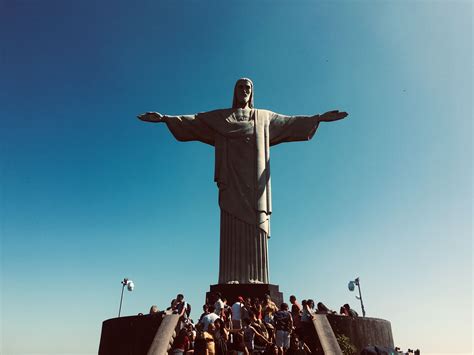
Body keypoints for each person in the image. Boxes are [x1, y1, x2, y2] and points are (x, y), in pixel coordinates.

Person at [138, 78, 348, 285]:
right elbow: (194, 121)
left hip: (255, 184)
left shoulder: (264, 117)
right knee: (232, 225)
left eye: (248, 87)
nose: (244, 90)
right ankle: (229, 278)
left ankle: (258, 278)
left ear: (252, 92)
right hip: (231, 181)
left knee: (255, 226)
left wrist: (318, 118)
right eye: (240, 87)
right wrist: (165, 118)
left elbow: (290, 122)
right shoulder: (220, 118)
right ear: (234, 91)